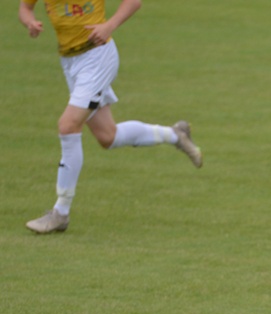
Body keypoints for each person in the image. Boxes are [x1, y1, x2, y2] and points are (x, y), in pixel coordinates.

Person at [18, 0, 202, 234]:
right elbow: (25, 8)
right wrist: (30, 23)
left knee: (68, 126)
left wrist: (109, 25)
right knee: (108, 136)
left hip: (97, 57)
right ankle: (175, 134)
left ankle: (60, 213)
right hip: (70, 61)